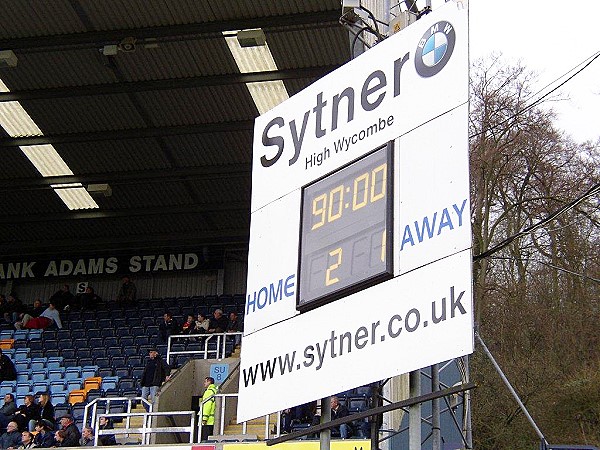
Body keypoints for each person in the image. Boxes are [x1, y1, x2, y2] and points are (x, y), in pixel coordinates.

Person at [200, 377, 217, 441]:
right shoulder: (214, 391)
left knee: (205, 440)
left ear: (209, 382)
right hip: (212, 420)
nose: (204, 383)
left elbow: (207, 405)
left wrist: (204, 418)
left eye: (205, 381)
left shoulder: (209, 391)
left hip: (208, 420)